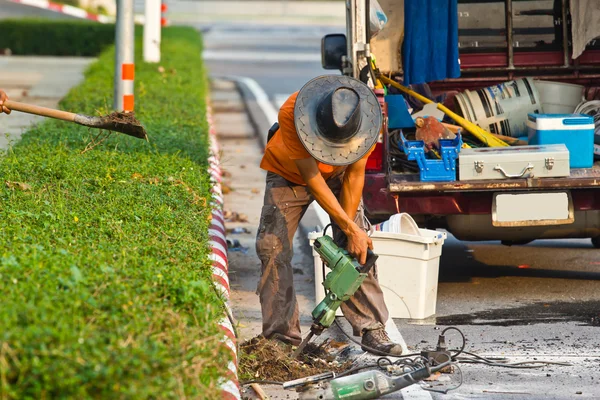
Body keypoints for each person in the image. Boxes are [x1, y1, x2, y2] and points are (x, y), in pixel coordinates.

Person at [256, 75, 403, 356]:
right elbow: (312, 178)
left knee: (358, 248)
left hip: (340, 173)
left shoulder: (368, 118)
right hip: (290, 173)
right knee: (271, 248)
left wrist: (350, 235)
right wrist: (347, 228)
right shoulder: (292, 112)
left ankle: (372, 328)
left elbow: (355, 175)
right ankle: (280, 337)